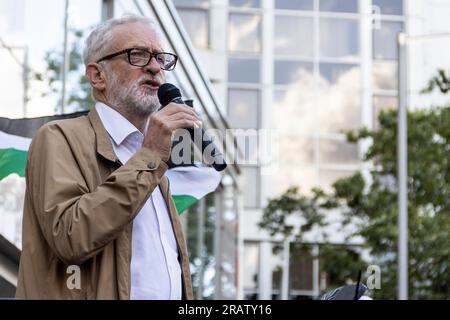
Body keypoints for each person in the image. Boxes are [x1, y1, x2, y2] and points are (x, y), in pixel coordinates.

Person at [16, 15, 199, 299]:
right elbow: (70, 237)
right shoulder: (58, 137)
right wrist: (150, 156)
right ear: (97, 75)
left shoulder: (152, 159)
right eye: (137, 55)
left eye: (160, 58)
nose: (154, 67)